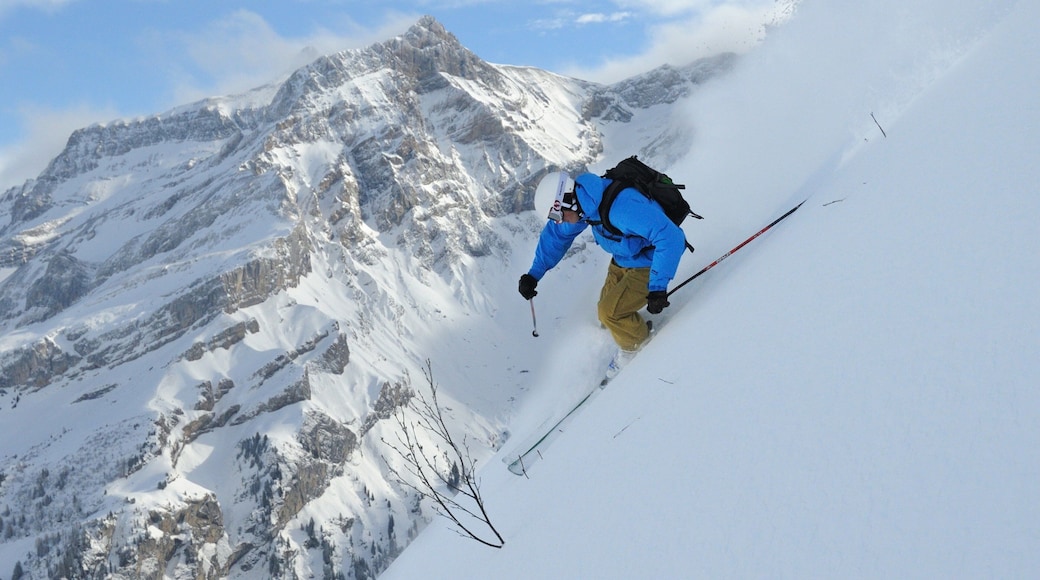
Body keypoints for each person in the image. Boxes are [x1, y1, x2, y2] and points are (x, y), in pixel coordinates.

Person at [518, 171, 688, 378]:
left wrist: (657, 287)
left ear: (569, 200)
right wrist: (533, 275)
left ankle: (640, 349)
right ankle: (630, 330)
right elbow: (555, 237)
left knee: (610, 313)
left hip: (649, 263)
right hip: (623, 259)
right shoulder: (586, 206)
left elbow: (671, 238)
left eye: (557, 215)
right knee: (604, 317)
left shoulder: (621, 209)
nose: (558, 221)